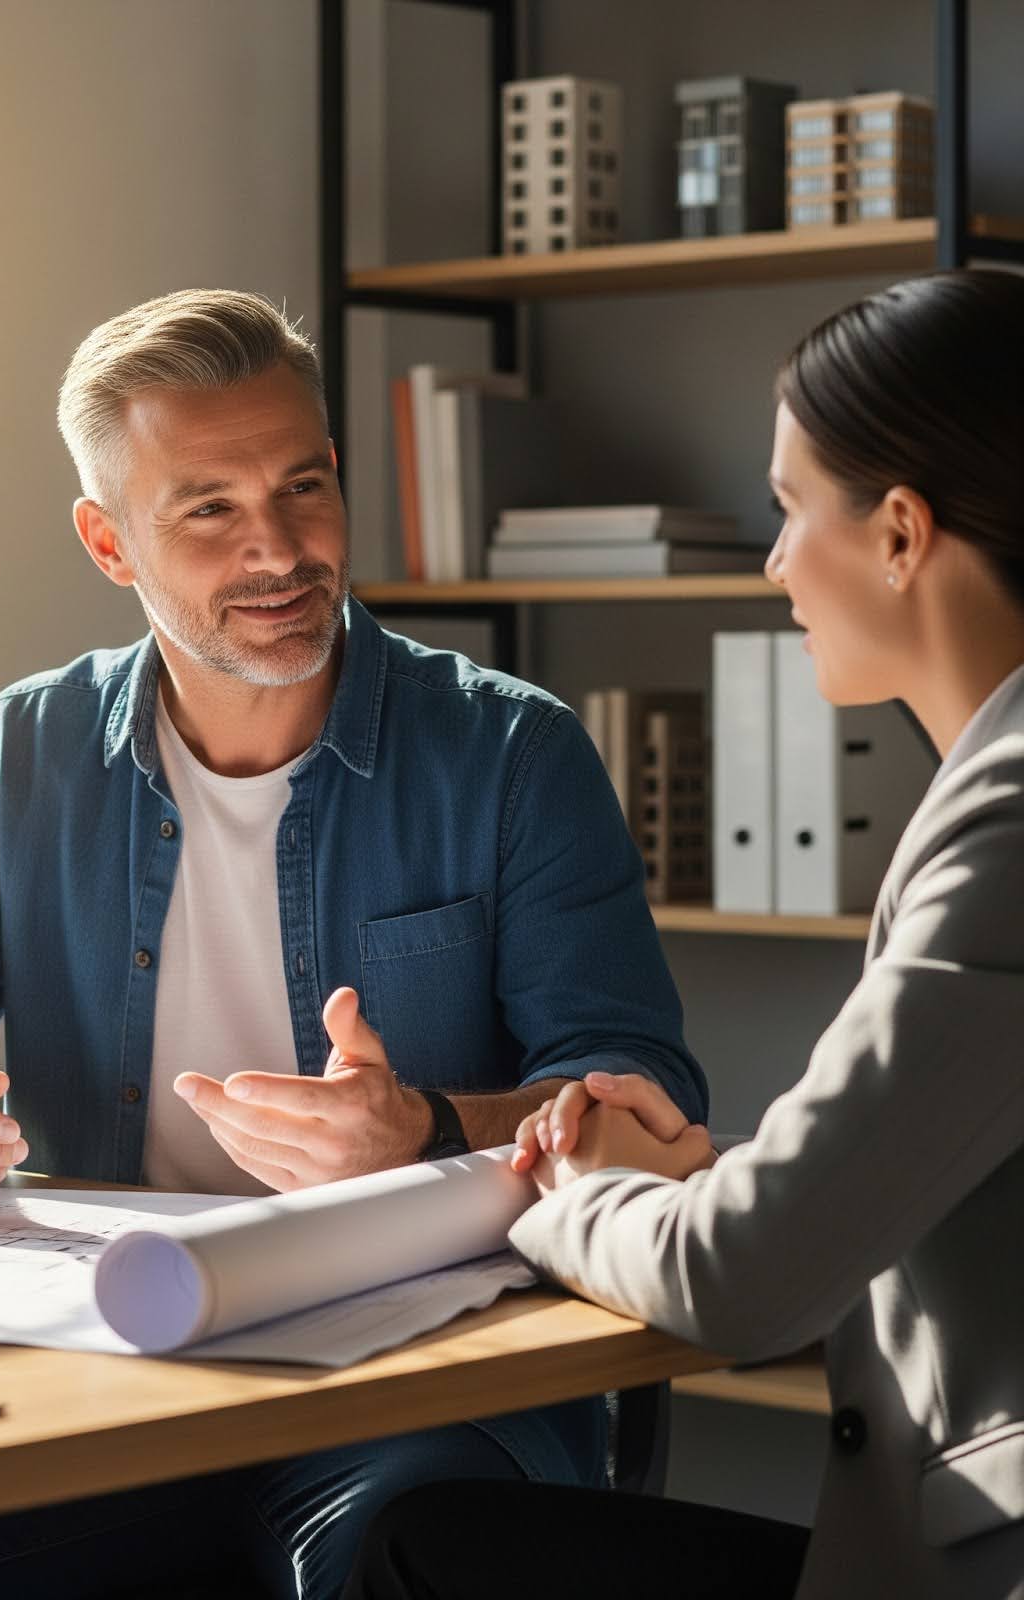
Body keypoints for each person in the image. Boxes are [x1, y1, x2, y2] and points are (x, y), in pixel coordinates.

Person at [0, 289, 708, 1600]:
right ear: (108, 542)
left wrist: (421, 1132)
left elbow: (650, 1106)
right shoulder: (22, 753)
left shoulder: (508, 751)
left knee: (391, 1551)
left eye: (304, 486)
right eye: (210, 508)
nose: (281, 549)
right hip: (114, 1376)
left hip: (417, 1391)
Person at [344, 268, 1024, 1600]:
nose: (775, 566)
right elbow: (906, 1146)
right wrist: (704, 1171)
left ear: (898, 534)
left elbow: (736, 1283)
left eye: (787, 511)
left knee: (419, 1551)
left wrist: (560, 1195)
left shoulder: (1009, 824)